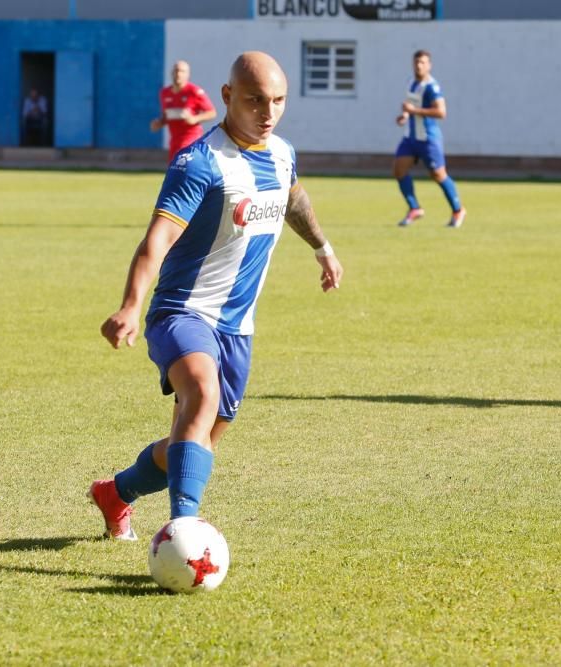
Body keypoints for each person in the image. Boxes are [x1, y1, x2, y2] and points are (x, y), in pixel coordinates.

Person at [89, 52, 344, 540]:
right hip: (182, 312)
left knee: (195, 439)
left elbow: (294, 199)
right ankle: (184, 530)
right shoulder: (199, 163)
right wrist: (130, 305)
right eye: (254, 101)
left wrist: (322, 248)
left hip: (237, 327)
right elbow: (156, 240)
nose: (267, 112)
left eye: (278, 101)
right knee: (201, 395)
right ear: (227, 97)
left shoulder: (282, 153)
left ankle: (116, 492)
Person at [393, 50, 466, 228]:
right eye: (417, 62)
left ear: (429, 65)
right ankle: (414, 208)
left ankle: (458, 210)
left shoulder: (432, 87)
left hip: (428, 138)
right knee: (399, 169)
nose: (419, 65)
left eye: (423, 62)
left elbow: (441, 112)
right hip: (411, 137)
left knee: (438, 175)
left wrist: (413, 111)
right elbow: (410, 105)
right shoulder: (411, 83)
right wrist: (404, 115)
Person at [150, 60, 217, 163]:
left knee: (182, 165)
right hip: (174, 140)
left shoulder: (194, 91)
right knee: (174, 169)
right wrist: (159, 123)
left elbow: (212, 112)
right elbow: (166, 116)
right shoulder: (164, 93)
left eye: (182, 71)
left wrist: (194, 119)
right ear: (172, 73)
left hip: (191, 137)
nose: (178, 74)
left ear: (187, 74)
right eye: (176, 71)